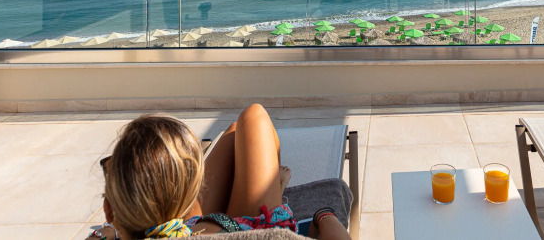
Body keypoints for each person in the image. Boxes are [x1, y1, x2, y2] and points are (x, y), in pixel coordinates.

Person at [88, 104, 351, 239]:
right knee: (253, 117)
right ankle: (276, 187)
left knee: (236, 130)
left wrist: (102, 234)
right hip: (250, 229)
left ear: (109, 210)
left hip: (189, 226)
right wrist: (324, 215)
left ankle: (275, 184)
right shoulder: (273, 237)